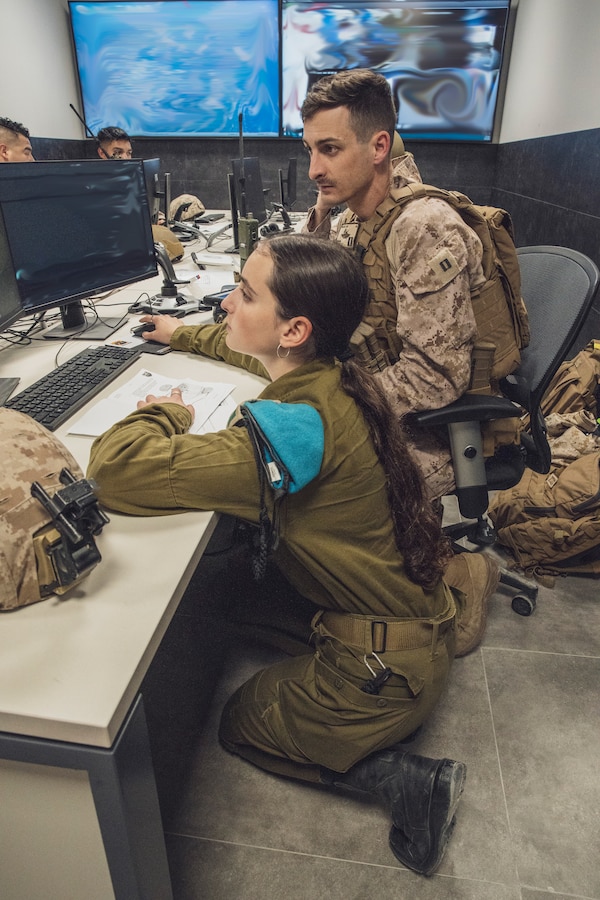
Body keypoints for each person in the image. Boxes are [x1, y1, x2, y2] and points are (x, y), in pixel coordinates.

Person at [88, 234, 467, 877]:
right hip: (407, 618)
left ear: (294, 329)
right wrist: (183, 335)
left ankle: (406, 780)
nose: (229, 305)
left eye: (244, 293)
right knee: (231, 587)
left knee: (241, 720)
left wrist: (166, 415)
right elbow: (239, 338)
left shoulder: (292, 432)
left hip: (386, 671)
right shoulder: (331, 372)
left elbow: (117, 471)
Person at [300, 69, 499, 641]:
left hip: (430, 420)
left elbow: (438, 377)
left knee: (323, 479)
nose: (315, 168)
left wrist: (337, 404)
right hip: (381, 392)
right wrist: (322, 202)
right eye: (311, 150)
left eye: (330, 150)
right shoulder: (356, 218)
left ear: (379, 146)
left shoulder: (422, 227)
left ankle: (460, 570)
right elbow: (309, 281)